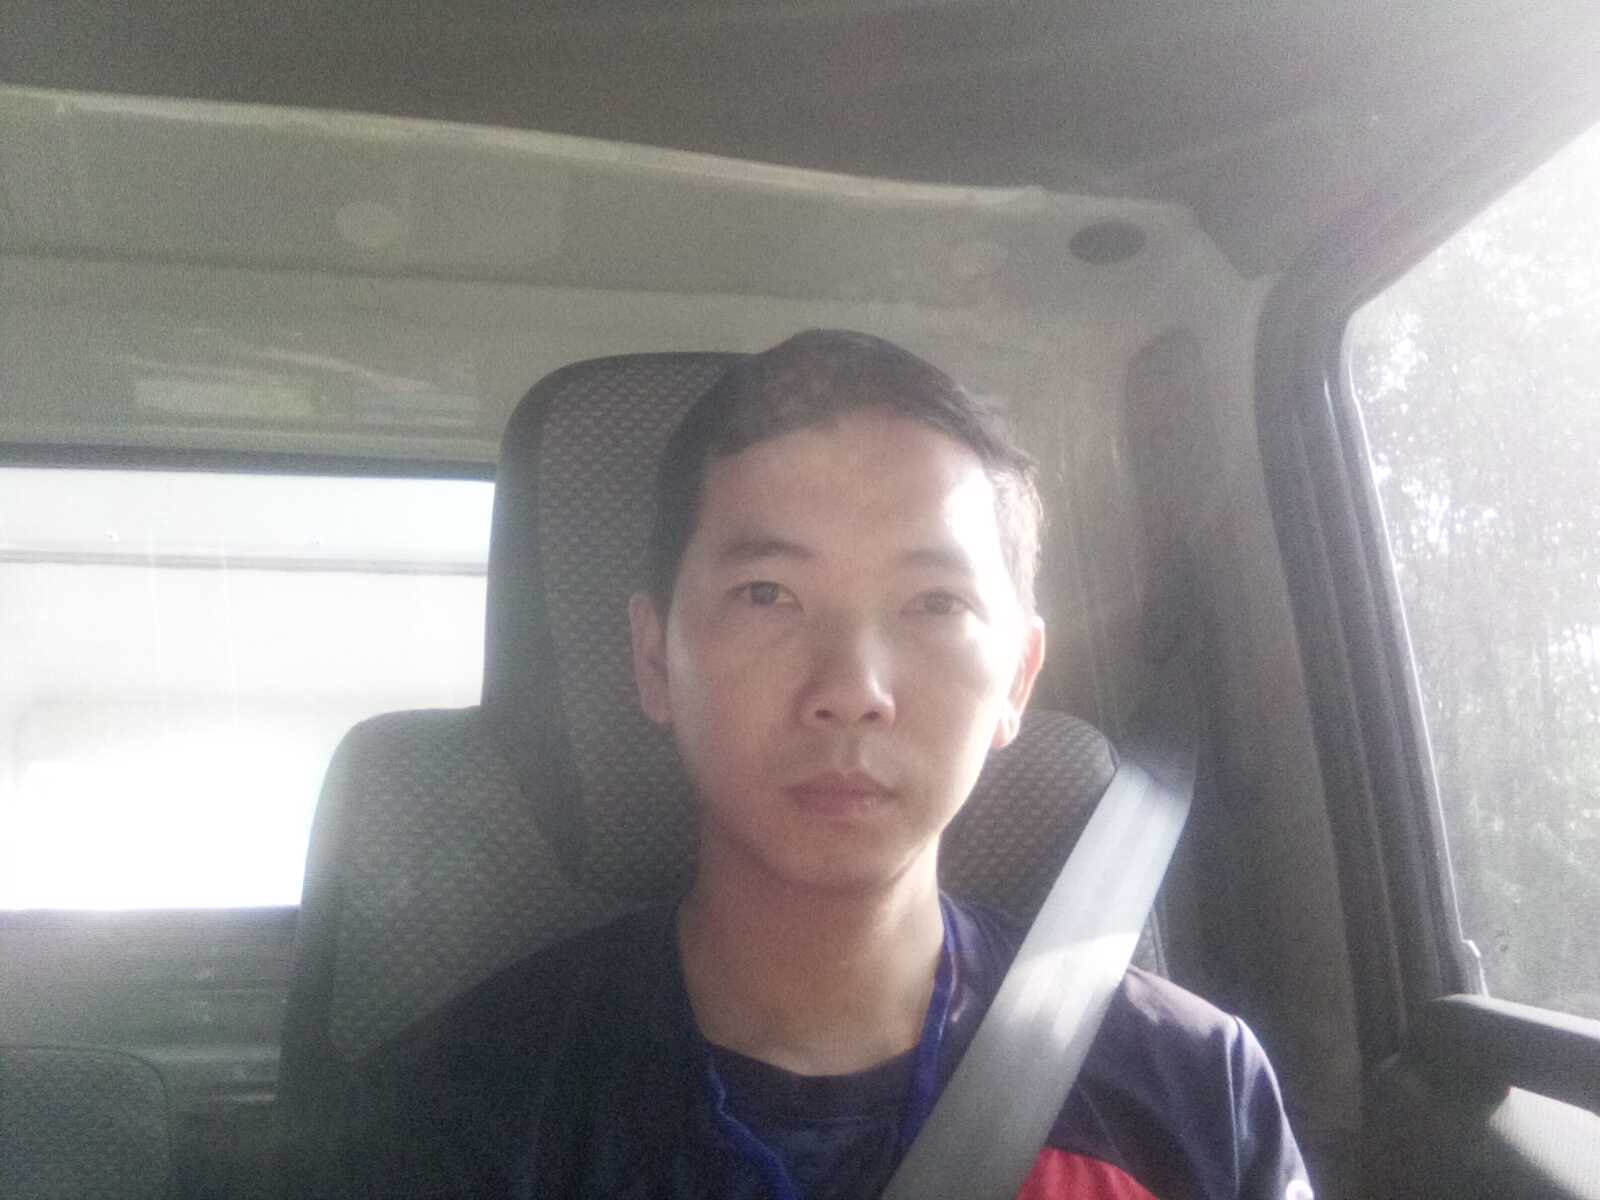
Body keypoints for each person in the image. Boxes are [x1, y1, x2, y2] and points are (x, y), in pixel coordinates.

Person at [332, 330, 1312, 1198]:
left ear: (1018, 678)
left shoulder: (1194, 1088)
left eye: (934, 604)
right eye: (767, 593)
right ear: (653, 660)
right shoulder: (460, 1112)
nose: (851, 688)